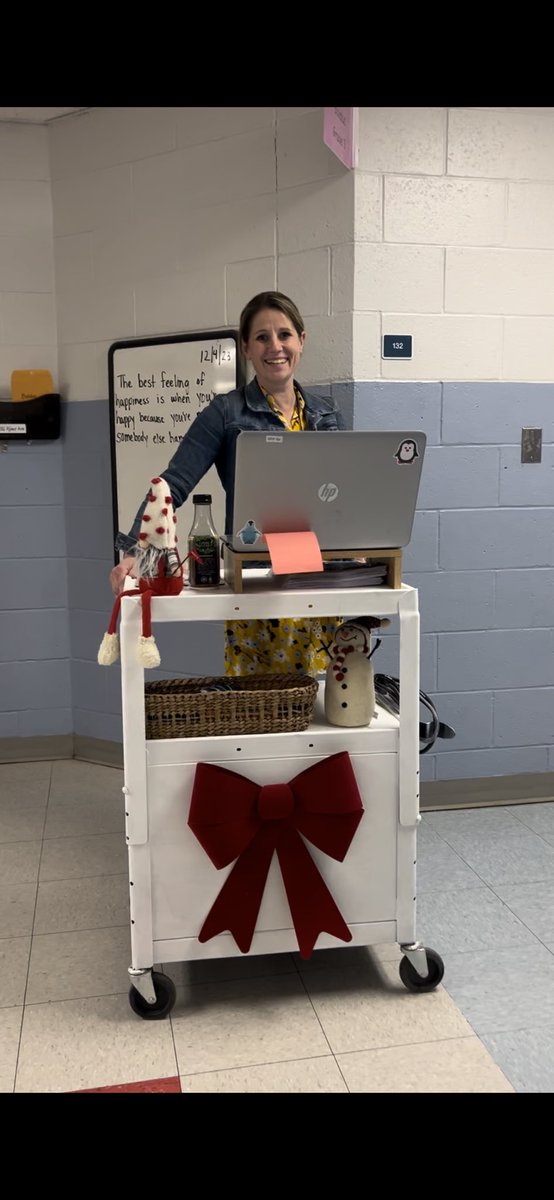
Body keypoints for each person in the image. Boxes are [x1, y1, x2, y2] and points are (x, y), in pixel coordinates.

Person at [110, 290, 345, 676]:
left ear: (301, 341)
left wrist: (361, 547)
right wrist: (135, 550)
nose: (275, 347)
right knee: (258, 703)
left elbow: (342, 491)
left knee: (320, 699)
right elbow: (173, 483)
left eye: (285, 335)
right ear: (246, 348)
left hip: (316, 573)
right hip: (257, 572)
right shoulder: (225, 412)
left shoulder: (326, 412)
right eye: (262, 337)